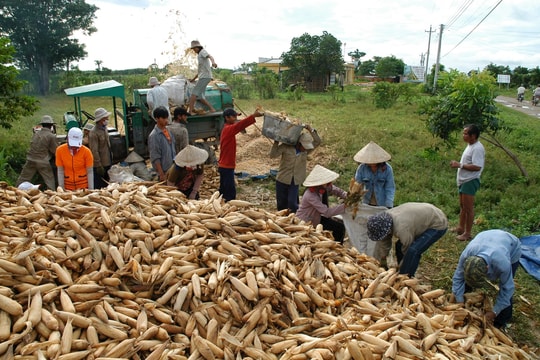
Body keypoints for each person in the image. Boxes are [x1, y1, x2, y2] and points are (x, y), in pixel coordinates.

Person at [451, 229, 521, 329]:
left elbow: (507, 288)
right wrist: (459, 301)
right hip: (485, 236)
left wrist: (494, 311)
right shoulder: (467, 255)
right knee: (465, 285)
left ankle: (501, 320)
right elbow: (458, 277)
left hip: (511, 245)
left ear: (487, 269)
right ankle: (466, 296)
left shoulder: (503, 264)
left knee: (507, 290)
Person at [366, 202, 448, 277]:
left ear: (387, 229)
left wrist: (401, 270)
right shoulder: (385, 218)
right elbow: (383, 242)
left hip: (437, 223)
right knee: (398, 246)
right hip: (421, 218)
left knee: (413, 251)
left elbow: (407, 251)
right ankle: (402, 271)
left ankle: (407, 277)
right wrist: (380, 262)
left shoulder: (402, 228)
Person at [269, 125, 321, 213]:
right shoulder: (286, 147)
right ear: (298, 143)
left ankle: (294, 219)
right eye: (303, 146)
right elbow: (273, 155)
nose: (305, 148)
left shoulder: (306, 151)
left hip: (295, 180)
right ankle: (282, 219)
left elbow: (318, 141)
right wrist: (276, 142)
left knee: (292, 203)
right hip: (282, 178)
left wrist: (311, 130)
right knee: (281, 204)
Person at [218, 107, 264, 201]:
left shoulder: (227, 128)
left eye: (236, 116)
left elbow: (239, 124)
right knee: (229, 194)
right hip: (226, 166)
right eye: (233, 116)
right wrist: (253, 116)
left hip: (225, 165)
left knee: (223, 191)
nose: (235, 118)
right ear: (227, 118)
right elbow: (240, 125)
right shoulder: (228, 129)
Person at [449, 124, 485, 241]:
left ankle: (467, 233)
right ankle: (460, 227)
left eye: (465, 133)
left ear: (473, 136)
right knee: (463, 206)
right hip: (463, 180)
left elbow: (477, 167)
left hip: (470, 180)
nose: (463, 136)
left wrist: (460, 165)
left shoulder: (477, 148)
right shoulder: (470, 145)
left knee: (468, 208)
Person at [296, 165, 348, 243]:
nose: (329, 184)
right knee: (338, 228)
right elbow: (326, 212)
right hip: (307, 221)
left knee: (340, 227)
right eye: (327, 183)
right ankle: (335, 247)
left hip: (317, 218)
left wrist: (347, 196)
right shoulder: (310, 195)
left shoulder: (324, 186)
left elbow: (336, 190)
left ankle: (337, 247)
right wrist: (345, 206)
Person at [16, 115, 58, 191]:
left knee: (23, 178)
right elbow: (55, 151)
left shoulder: (36, 134)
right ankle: (52, 195)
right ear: (51, 125)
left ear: (42, 125)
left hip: (30, 159)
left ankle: (16, 191)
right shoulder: (51, 136)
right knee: (50, 180)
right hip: (42, 161)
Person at [354, 141, 395, 208]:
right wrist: (355, 199)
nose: (372, 163)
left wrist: (389, 205)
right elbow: (357, 185)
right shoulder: (362, 168)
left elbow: (390, 188)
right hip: (367, 203)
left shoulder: (387, 169)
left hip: (382, 203)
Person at [187, 40, 217, 114]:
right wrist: (193, 79)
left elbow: (210, 56)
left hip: (205, 77)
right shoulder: (199, 55)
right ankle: (212, 109)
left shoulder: (202, 52)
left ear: (198, 47)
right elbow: (200, 70)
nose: (194, 50)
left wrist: (213, 62)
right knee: (200, 96)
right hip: (204, 76)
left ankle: (190, 112)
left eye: (194, 48)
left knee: (193, 94)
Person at [148, 106, 176, 182]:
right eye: (163, 118)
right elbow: (155, 156)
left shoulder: (168, 131)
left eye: (166, 118)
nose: (166, 120)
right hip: (164, 171)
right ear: (157, 118)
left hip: (172, 168)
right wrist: (161, 174)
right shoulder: (154, 136)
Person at [88, 108, 112, 189]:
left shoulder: (104, 129)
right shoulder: (93, 133)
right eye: (105, 118)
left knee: (107, 185)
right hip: (101, 164)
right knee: (100, 186)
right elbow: (94, 150)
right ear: (101, 119)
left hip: (107, 161)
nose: (107, 119)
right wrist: (98, 165)